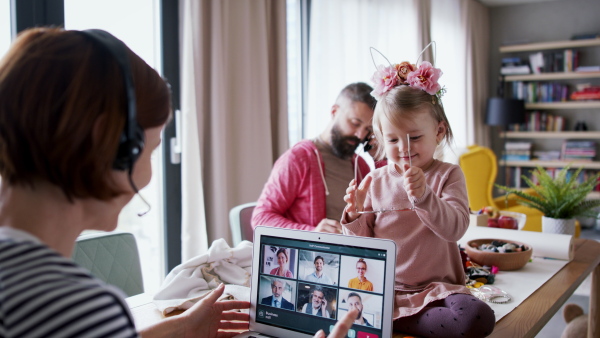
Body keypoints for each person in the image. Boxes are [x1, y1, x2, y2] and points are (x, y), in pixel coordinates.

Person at [0, 27, 354, 338]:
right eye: (151, 151)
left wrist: (181, 328)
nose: (149, 175)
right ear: (108, 145)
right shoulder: (77, 308)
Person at [342, 59, 495, 338]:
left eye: (414, 137)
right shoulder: (374, 181)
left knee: (477, 318)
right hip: (387, 289)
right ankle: (394, 316)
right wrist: (354, 215)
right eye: (393, 140)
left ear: (439, 131)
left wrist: (425, 196)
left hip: (438, 289)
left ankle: (393, 321)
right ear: (380, 139)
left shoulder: (448, 175)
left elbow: (455, 228)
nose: (404, 149)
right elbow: (360, 251)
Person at [251, 82, 377, 233]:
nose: (360, 135)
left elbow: (378, 219)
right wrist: (311, 233)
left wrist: (378, 158)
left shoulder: (361, 166)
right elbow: (261, 218)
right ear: (334, 111)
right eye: (355, 123)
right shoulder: (299, 159)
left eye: (367, 130)